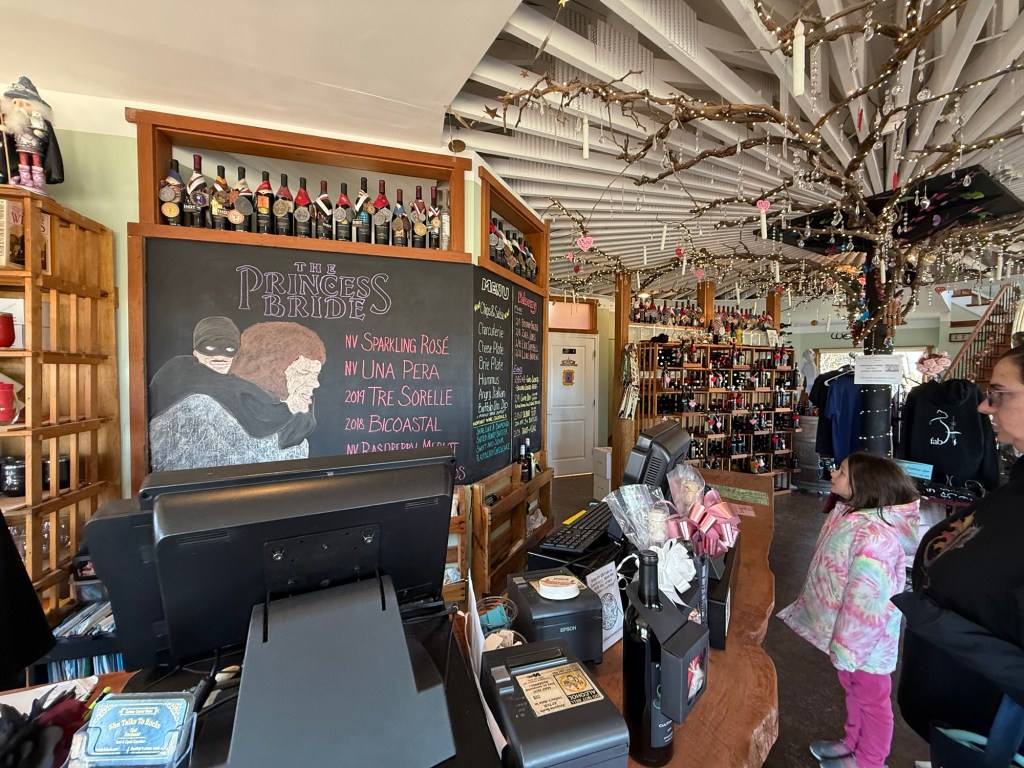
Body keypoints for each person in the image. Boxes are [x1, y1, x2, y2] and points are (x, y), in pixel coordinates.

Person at [894, 345, 1024, 752]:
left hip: (1001, 737)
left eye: (998, 394)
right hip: (970, 731)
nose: (985, 407)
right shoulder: (1013, 490)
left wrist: (940, 624)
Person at [777, 452, 921, 768]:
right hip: (848, 636)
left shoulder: (876, 538)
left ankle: (870, 761)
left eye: (841, 471)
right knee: (852, 690)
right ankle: (851, 743)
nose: (833, 474)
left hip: (865, 643)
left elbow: (867, 602)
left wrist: (850, 646)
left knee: (873, 702)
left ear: (862, 485)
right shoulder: (850, 514)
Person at [148, 318, 320, 471]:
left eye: (229, 348)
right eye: (209, 347)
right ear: (195, 352)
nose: (219, 356)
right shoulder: (192, 390)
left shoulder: (240, 393)